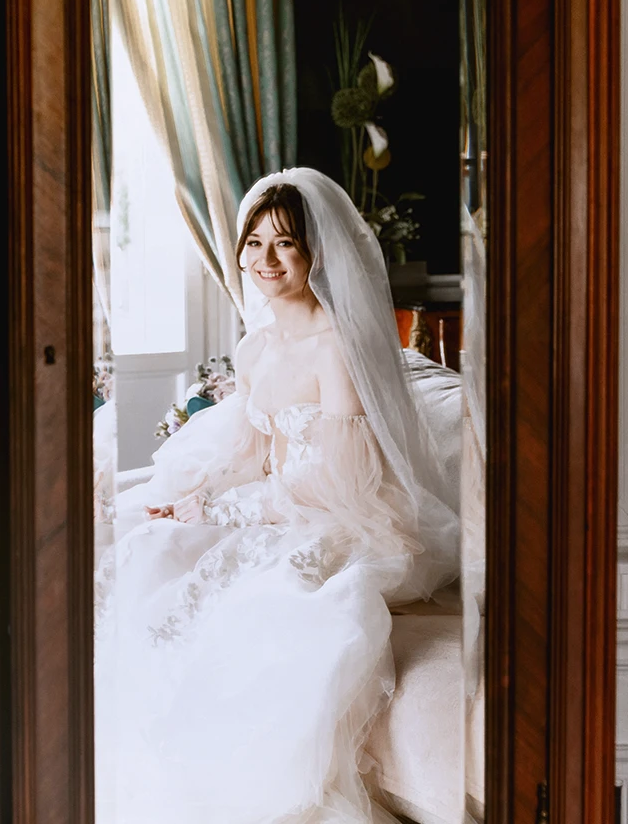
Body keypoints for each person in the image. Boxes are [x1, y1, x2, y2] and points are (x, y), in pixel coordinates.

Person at [95, 169, 459, 824]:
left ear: (315, 252)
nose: (266, 259)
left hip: (333, 517)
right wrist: (201, 491)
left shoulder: (338, 348)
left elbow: (341, 477)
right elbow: (253, 450)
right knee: (145, 546)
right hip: (270, 504)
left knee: (249, 600)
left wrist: (226, 509)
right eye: (255, 243)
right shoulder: (256, 345)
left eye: (285, 243)